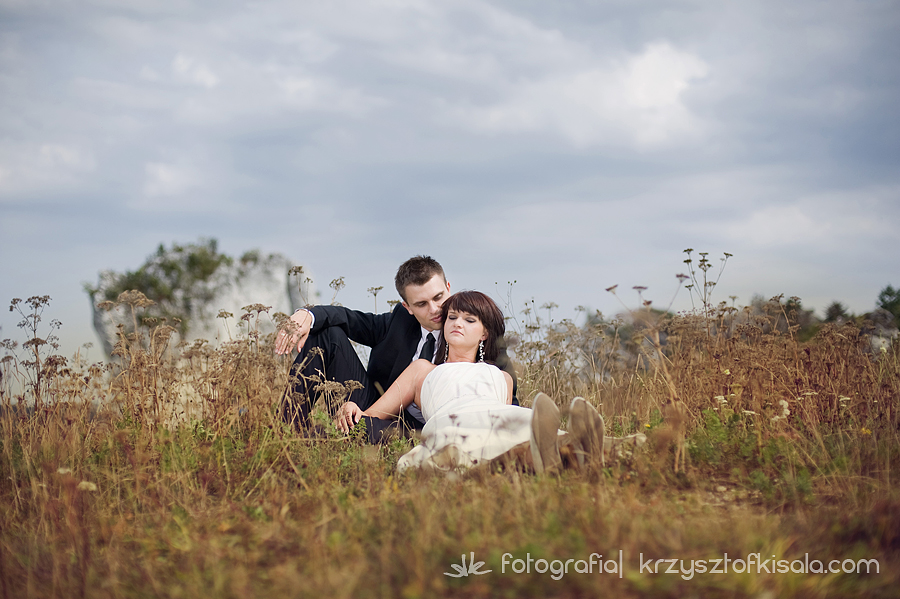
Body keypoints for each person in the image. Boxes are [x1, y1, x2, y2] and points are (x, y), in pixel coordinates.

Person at [337, 290, 620, 473]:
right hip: (453, 423)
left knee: (517, 427)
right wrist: (353, 407)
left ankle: (580, 446)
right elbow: (374, 415)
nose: (457, 323)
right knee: (475, 446)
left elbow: (504, 408)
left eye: (469, 320)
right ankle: (559, 454)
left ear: (484, 334)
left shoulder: (502, 376)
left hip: (501, 417)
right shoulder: (422, 369)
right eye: (452, 317)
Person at [275, 256, 517, 442]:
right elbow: (350, 318)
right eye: (421, 304)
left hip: (429, 430)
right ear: (407, 307)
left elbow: (506, 396)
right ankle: (285, 432)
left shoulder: (475, 333)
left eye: (438, 297)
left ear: (448, 288)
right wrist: (307, 315)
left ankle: (334, 436)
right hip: (377, 412)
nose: (434, 309)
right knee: (327, 334)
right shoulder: (398, 323)